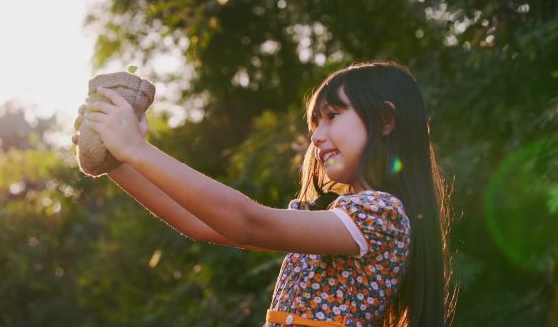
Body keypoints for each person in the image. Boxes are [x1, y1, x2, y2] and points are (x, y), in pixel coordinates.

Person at [72, 61, 456, 327]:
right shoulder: (333, 217)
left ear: (386, 120)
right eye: (314, 123)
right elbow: (198, 223)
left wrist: (136, 149)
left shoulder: (381, 217)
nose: (316, 136)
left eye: (332, 116)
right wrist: (118, 163)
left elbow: (247, 223)